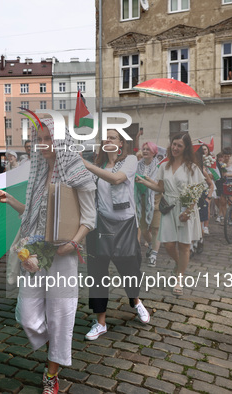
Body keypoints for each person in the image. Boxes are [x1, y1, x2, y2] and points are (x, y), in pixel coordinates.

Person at [0, 118, 96, 394]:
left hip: (63, 255)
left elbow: (89, 217)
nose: (43, 144)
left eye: (48, 138)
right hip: (35, 253)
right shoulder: (38, 173)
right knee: (29, 316)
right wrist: (10, 200)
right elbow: (34, 214)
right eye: (40, 138)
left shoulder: (76, 171)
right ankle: (54, 346)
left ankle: (52, 373)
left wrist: (72, 244)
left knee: (60, 315)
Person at [82, 130, 151, 342]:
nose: (108, 140)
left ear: (121, 142)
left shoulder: (129, 161)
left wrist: (87, 165)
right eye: (105, 137)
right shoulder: (97, 165)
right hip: (100, 225)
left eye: (113, 137)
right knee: (98, 273)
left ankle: (136, 301)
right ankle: (100, 322)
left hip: (125, 225)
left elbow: (116, 179)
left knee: (130, 268)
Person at [136, 133, 204, 295]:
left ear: (186, 148)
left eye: (179, 145)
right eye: (174, 144)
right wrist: (145, 182)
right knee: (168, 244)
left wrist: (188, 211)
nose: (175, 148)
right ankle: (180, 264)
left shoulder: (192, 168)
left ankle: (179, 278)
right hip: (168, 208)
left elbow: (196, 192)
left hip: (185, 209)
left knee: (184, 245)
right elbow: (161, 188)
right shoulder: (164, 166)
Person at [135, 141, 162, 267]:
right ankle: (151, 244)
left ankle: (154, 255)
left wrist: (146, 180)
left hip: (155, 199)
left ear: (154, 152)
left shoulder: (160, 167)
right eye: (143, 149)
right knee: (144, 228)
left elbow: (160, 186)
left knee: (156, 228)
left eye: (148, 149)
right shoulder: (137, 165)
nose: (145, 151)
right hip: (141, 199)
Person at [194, 144, 215, 252]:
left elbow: (211, 185)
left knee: (200, 222)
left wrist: (208, 197)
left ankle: (200, 240)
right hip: (192, 198)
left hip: (201, 198)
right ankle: (193, 242)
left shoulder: (203, 171)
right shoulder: (189, 170)